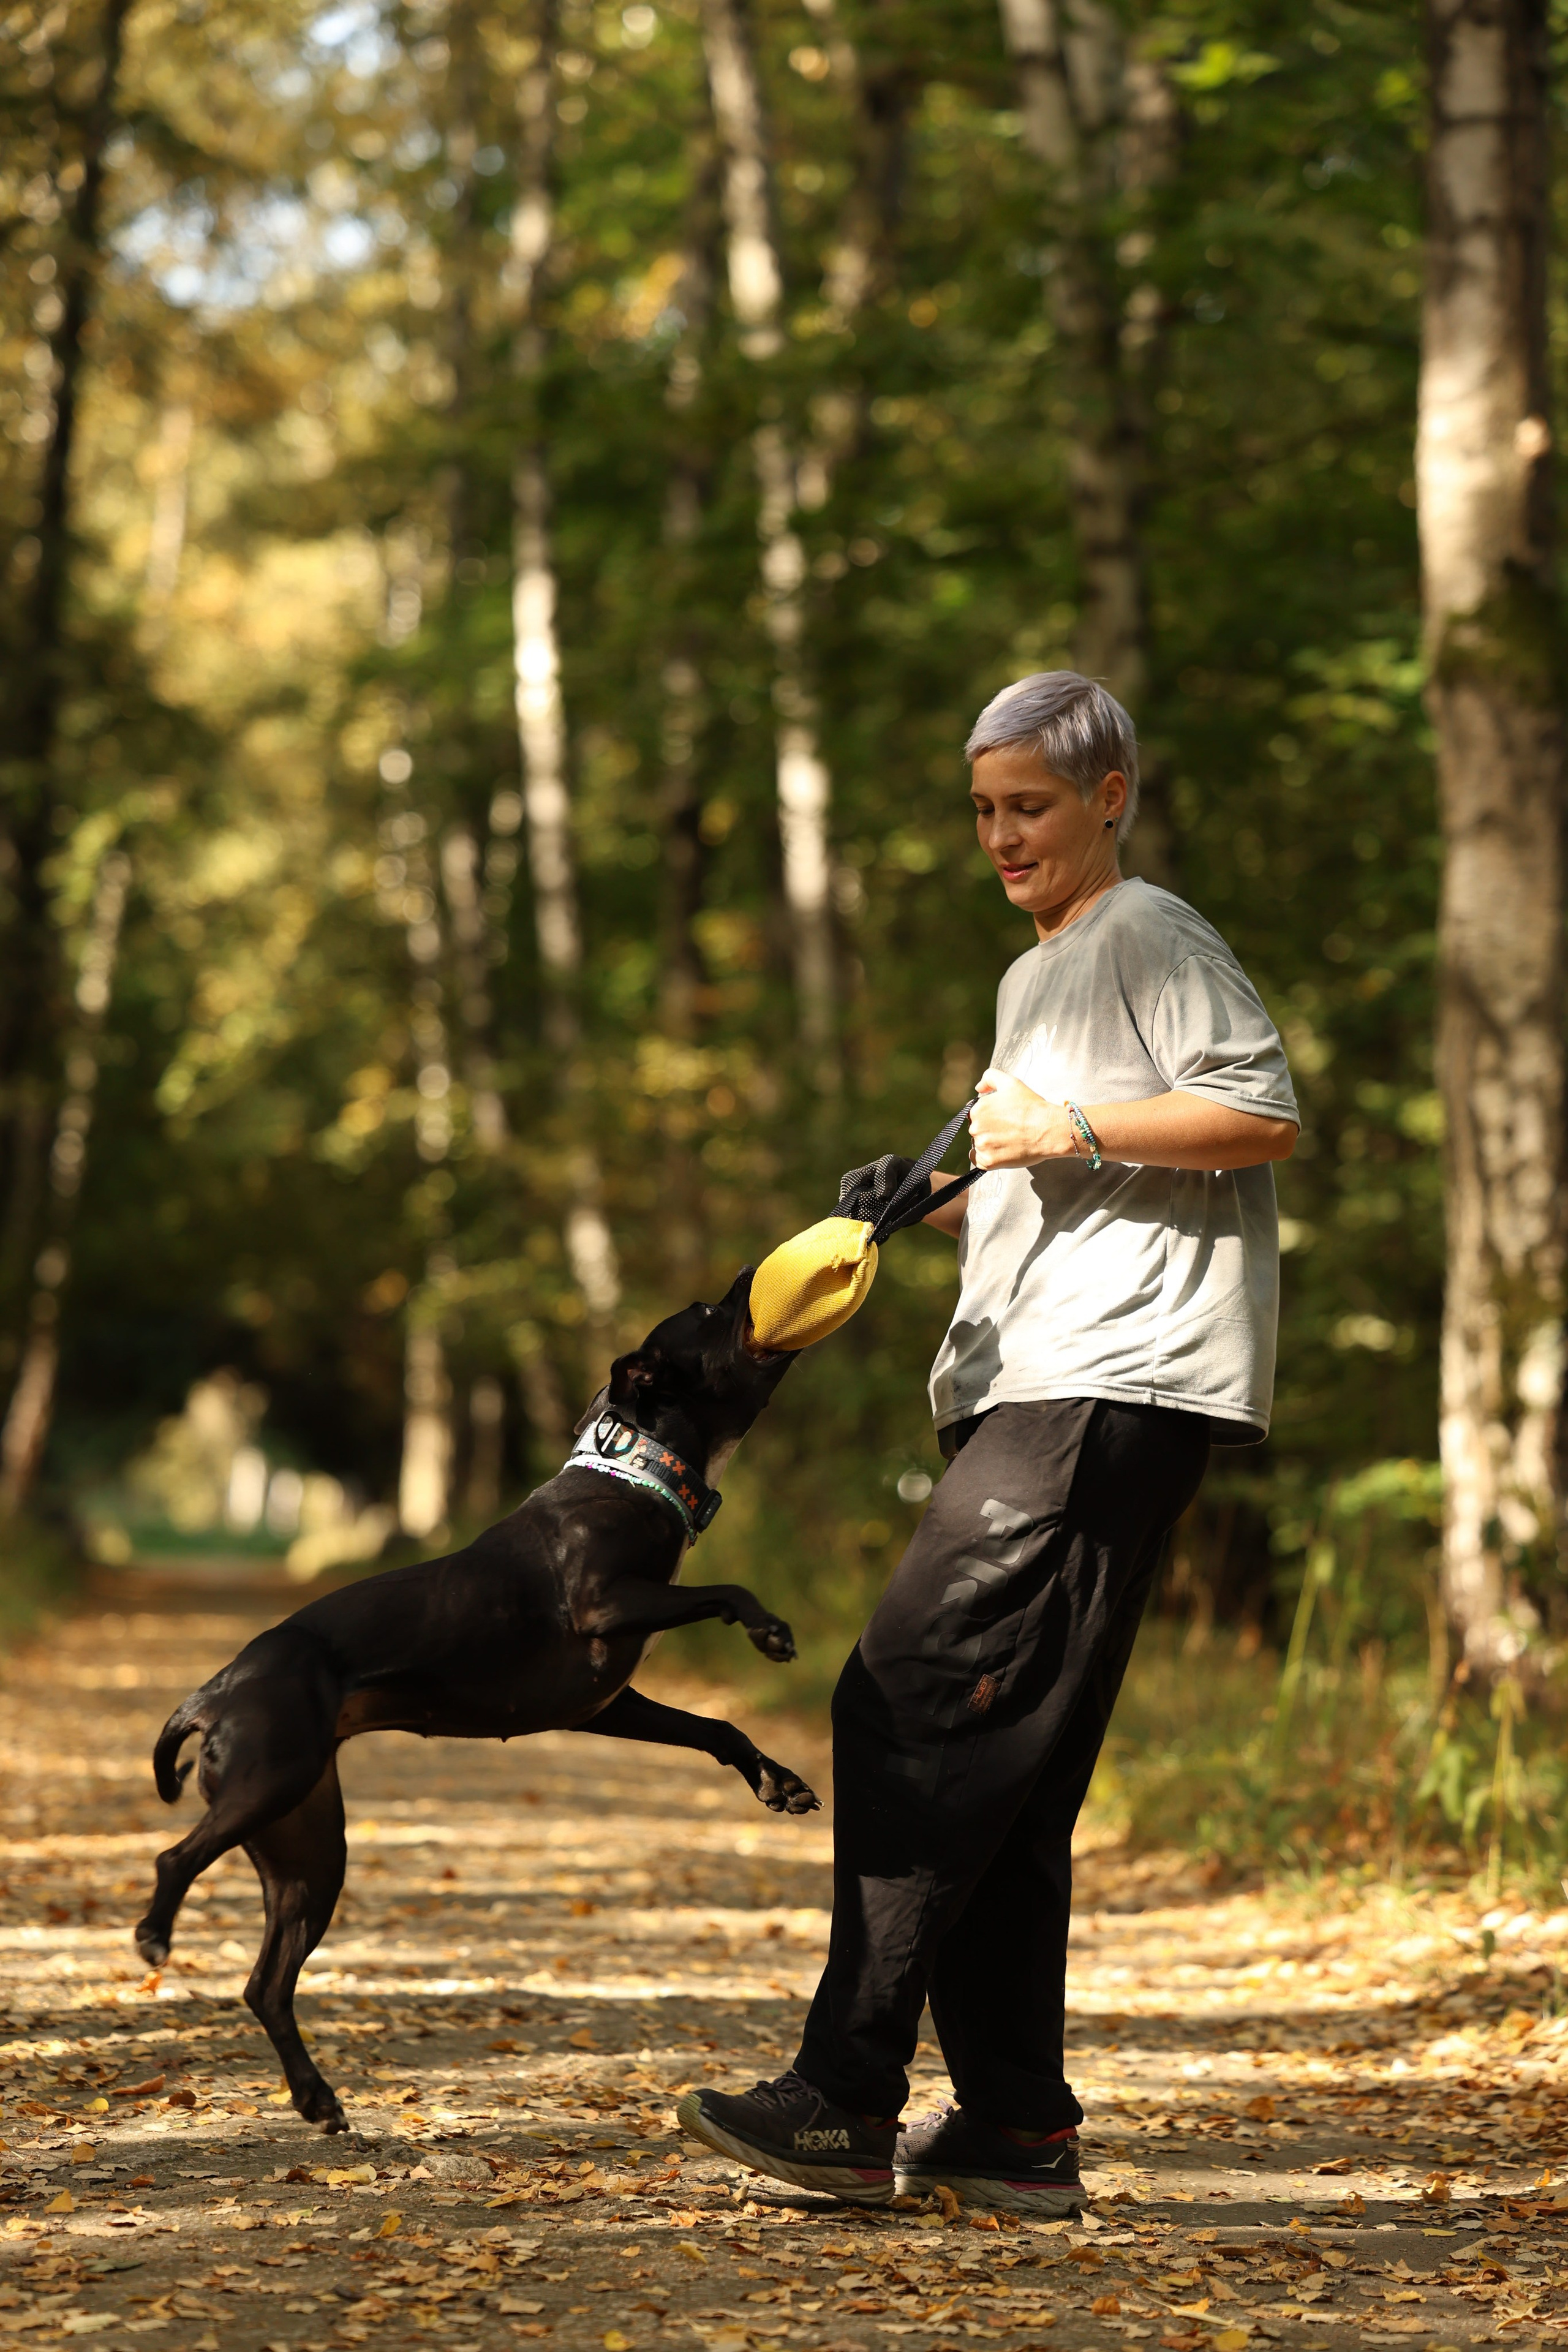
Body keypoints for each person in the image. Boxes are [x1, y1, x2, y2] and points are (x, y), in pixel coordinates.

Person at [678, 671, 1299, 2212]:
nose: (1000, 836)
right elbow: (1054, 1161)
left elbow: (1259, 1110)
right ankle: (1014, 2125)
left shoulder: (1145, 928)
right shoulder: (1039, 975)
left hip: (1111, 1383)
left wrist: (1071, 1132)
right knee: (1005, 1760)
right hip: (1042, 1381)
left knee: (901, 1700)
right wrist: (935, 1192)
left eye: (1028, 805)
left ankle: (844, 2095)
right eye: (981, 810)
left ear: (1108, 797)